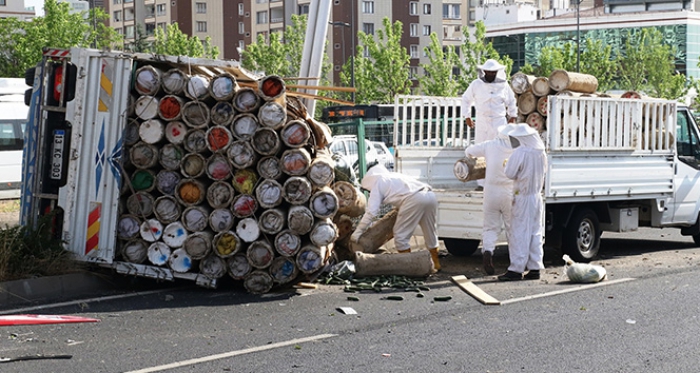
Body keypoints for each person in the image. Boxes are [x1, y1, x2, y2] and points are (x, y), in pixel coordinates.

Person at [350, 163, 441, 270]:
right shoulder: (393, 177)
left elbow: (371, 212)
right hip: (430, 196)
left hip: (414, 199)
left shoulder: (378, 183)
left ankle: (409, 267)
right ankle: (436, 264)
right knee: (430, 232)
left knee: (400, 235)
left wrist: (358, 232)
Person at [464, 124, 516, 275]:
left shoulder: (490, 145)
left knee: (489, 227)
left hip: (491, 192)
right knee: (512, 228)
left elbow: (469, 151)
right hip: (509, 192)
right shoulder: (516, 148)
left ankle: (487, 250)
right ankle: (515, 262)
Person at [499, 123, 547, 281]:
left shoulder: (521, 152)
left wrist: (506, 164)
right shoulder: (541, 152)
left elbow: (510, 173)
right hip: (536, 196)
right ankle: (535, 268)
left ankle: (516, 269)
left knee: (519, 232)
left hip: (523, 197)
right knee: (535, 232)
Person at [461, 59, 518, 190]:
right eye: (489, 72)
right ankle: (482, 184)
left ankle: (500, 182)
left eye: (493, 72)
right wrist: (467, 116)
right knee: (481, 152)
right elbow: (466, 99)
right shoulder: (476, 84)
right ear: (484, 71)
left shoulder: (504, 85)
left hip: (499, 122)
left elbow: (511, 101)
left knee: (501, 151)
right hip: (482, 121)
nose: (491, 74)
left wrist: (513, 116)